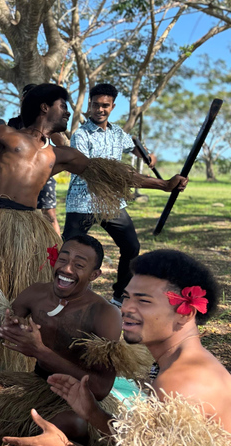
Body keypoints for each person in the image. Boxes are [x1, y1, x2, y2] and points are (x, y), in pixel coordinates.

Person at [0, 83, 185, 371]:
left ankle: (12, 353)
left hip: (26, 227)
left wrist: (163, 184)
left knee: (23, 290)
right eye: (63, 106)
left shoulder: (61, 155)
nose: (68, 112)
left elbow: (113, 174)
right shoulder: (6, 135)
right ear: (44, 107)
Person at [3, 250, 230, 446]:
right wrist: (94, 414)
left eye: (143, 301)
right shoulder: (185, 363)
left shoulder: (181, 381)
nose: (127, 308)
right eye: (127, 297)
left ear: (185, 313)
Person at [0, 235, 121, 442]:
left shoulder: (105, 314)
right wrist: (6, 330)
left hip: (78, 400)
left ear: (94, 274)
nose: (67, 269)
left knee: (73, 424)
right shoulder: (36, 293)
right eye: (63, 259)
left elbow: (100, 389)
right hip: (34, 384)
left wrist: (40, 351)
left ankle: (18, 439)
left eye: (79, 265)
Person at [64, 83, 157, 307]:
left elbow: (134, 147)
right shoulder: (81, 135)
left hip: (111, 202)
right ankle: (65, 295)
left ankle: (118, 297)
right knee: (68, 250)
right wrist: (129, 177)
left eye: (105, 105)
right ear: (90, 105)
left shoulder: (117, 133)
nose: (100, 109)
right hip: (82, 201)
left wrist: (147, 154)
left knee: (131, 247)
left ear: (113, 106)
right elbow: (88, 169)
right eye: (96, 105)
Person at [6, 83, 64, 235]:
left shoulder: (48, 121)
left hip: (43, 175)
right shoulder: (13, 123)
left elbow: (62, 144)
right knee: (18, 215)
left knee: (49, 215)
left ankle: (56, 247)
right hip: (19, 177)